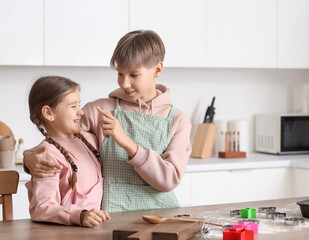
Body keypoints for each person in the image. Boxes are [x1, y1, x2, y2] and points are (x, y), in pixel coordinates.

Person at [24, 30, 192, 213]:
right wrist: (29, 157)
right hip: (111, 216)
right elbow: (58, 138)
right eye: (120, 74)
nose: (124, 83)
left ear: (157, 69)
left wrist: (128, 144)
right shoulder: (100, 111)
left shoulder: (177, 120)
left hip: (161, 215)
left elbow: (169, 180)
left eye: (134, 75)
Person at [26, 76, 110, 227]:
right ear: (48, 113)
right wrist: (79, 215)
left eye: (80, 105)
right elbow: (42, 208)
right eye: (73, 106)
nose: (81, 112)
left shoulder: (90, 140)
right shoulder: (47, 154)